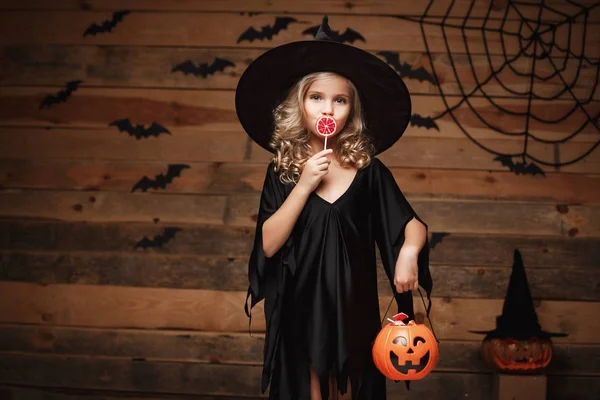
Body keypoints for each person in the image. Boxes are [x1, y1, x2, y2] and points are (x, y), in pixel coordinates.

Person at [235, 16, 433, 400]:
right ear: (300, 105)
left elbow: (412, 224)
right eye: (317, 98)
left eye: (339, 100)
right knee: (308, 384)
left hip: (352, 304)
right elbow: (270, 244)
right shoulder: (283, 170)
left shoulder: (367, 170)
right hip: (300, 305)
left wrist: (408, 252)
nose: (328, 108)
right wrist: (305, 183)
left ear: (351, 111)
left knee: (351, 383)